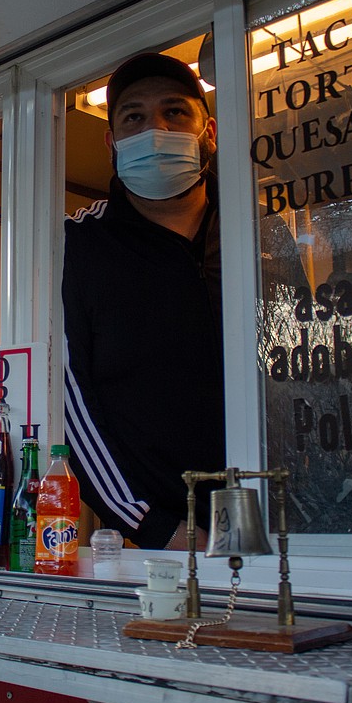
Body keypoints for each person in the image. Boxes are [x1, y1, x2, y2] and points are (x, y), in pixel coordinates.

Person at [62, 52, 225, 550]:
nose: (155, 129)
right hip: (165, 542)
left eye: (175, 112)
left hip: (274, 519)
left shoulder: (260, 234)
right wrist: (154, 527)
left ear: (209, 132)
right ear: (112, 143)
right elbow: (68, 401)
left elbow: (306, 378)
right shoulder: (75, 245)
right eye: (134, 116)